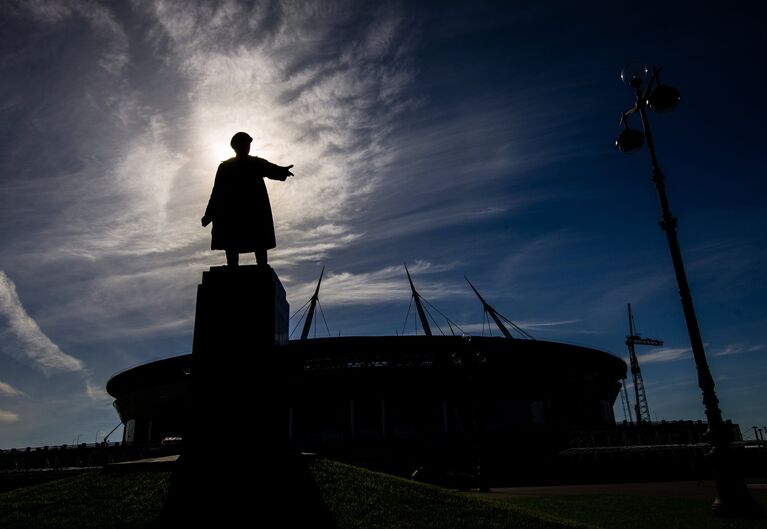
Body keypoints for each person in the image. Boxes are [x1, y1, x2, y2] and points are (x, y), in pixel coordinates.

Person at [201, 132, 293, 267]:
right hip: (232, 210)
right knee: (231, 239)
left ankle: (262, 265)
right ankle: (232, 266)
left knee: (258, 237)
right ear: (236, 146)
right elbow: (217, 192)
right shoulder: (225, 167)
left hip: (254, 207)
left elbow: (271, 169)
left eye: (248, 144)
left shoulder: (255, 162)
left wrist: (282, 171)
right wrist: (209, 214)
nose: (246, 147)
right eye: (244, 144)